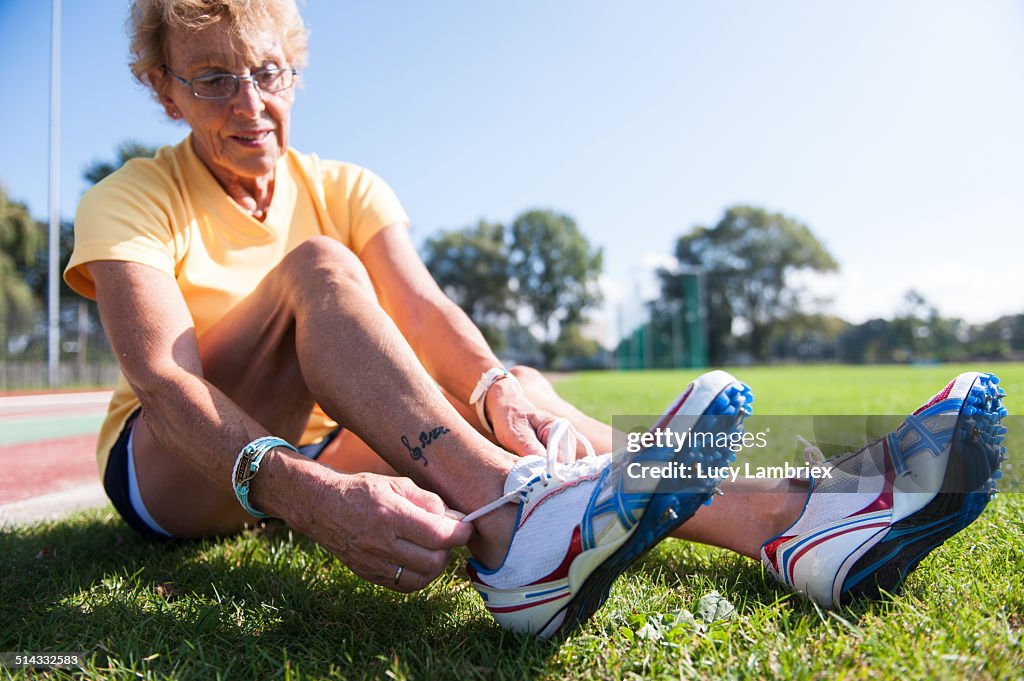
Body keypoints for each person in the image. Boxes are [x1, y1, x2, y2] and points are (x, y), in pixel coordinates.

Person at [64, 0, 1008, 639]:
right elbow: (163, 378)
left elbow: (425, 309)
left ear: (295, 74)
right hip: (179, 464)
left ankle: (802, 515)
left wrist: (492, 385)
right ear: (162, 88)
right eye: (212, 80)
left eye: (266, 73)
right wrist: (305, 496)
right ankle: (519, 533)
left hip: (321, 434)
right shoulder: (131, 196)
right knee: (318, 266)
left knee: (529, 396)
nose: (251, 103)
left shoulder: (344, 183)